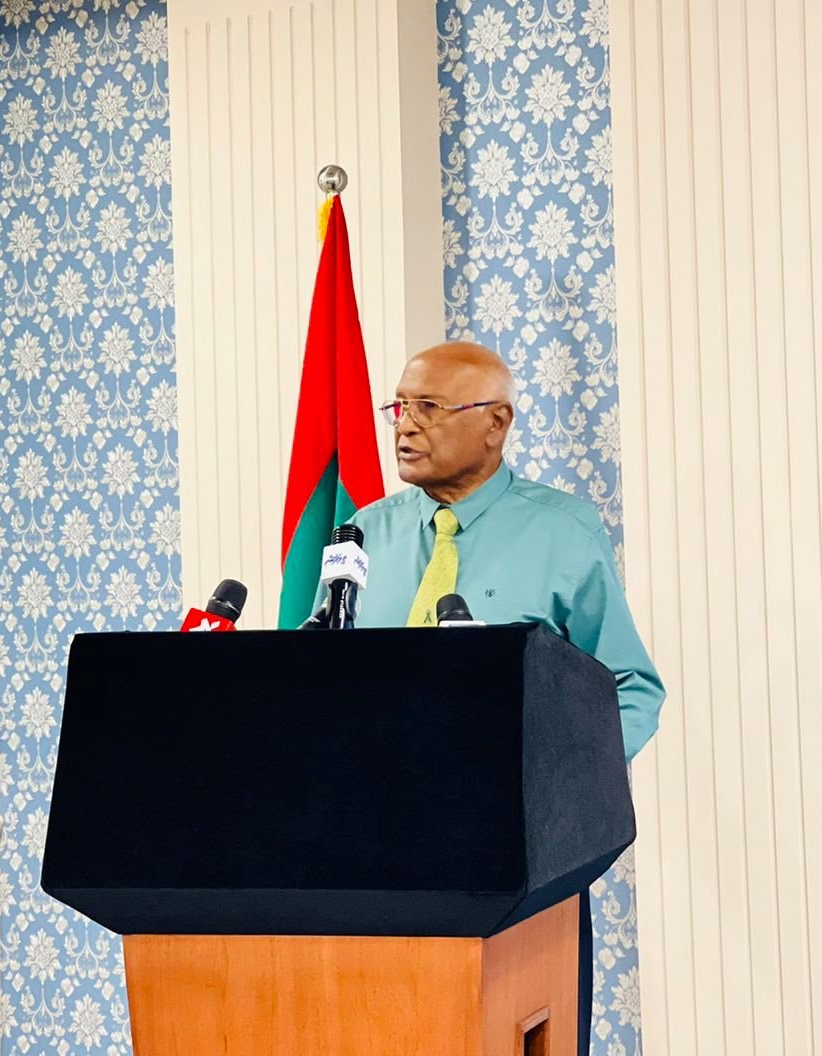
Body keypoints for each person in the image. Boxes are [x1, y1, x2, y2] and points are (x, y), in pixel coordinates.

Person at [316, 339, 664, 1053]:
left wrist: (558, 794)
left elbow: (629, 687)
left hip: (516, 857)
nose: (406, 425)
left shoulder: (562, 530)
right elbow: (316, 673)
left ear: (496, 422)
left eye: (429, 407)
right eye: (399, 408)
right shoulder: (365, 531)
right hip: (369, 847)